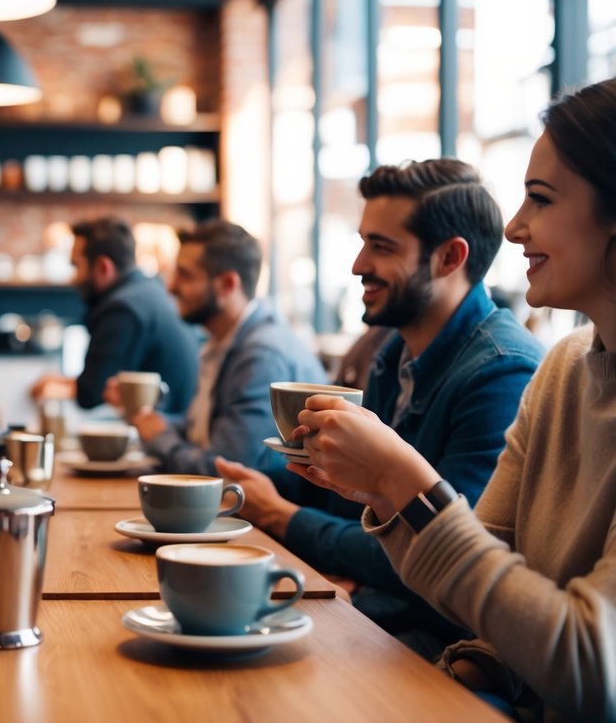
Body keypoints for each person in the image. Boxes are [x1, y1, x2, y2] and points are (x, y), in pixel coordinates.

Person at [285, 78, 616, 720]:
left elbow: (592, 664)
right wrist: (450, 679)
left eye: (540, 199)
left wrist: (401, 481)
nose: (516, 226)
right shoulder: (563, 371)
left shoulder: (509, 366)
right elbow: (482, 603)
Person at [217, 158, 544, 659]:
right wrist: (241, 487)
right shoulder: (393, 354)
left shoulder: (502, 375)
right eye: (363, 241)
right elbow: (349, 499)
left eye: (381, 247)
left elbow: (439, 559)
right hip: (375, 618)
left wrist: (282, 517)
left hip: (442, 652)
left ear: (450, 258)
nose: (357, 265)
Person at [104, 221, 327, 473]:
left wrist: (159, 439)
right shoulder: (223, 341)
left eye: (185, 275)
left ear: (227, 285)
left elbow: (227, 469)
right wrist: (144, 418)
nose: (171, 286)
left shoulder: (260, 355)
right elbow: (203, 432)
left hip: (249, 510)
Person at [32, 216, 198, 413]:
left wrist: (54, 386)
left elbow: (91, 394)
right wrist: (63, 381)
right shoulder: (147, 290)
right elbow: (101, 380)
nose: (73, 278)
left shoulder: (122, 310)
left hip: (167, 431)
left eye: (77, 266)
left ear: (103, 267)